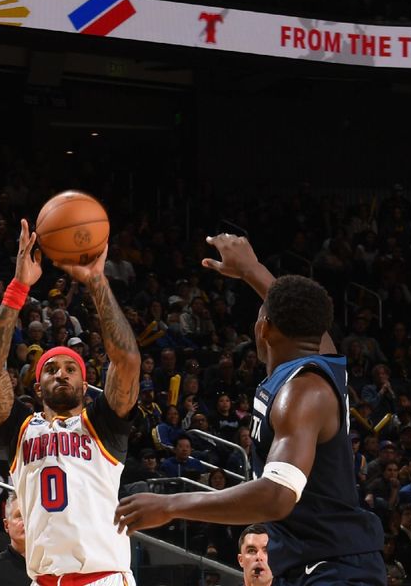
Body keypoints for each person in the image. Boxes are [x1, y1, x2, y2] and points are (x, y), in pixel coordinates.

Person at [115, 234, 386, 585]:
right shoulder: (321, 361)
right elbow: (304, 317)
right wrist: (252, 270)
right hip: (316, 561)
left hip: (333, 567)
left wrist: (170, 505)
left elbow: (276, 497)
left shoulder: (301, 394)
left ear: (264, 328)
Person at [0, 219, 140, 584]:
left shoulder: (103, 425)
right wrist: (19, 287)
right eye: (50, 368)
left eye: (71, 368)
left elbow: (127, 361)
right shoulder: (21, 429)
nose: (61, 373)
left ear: (86, 385)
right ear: (38, 387)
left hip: (103, 578)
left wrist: (97, 280)